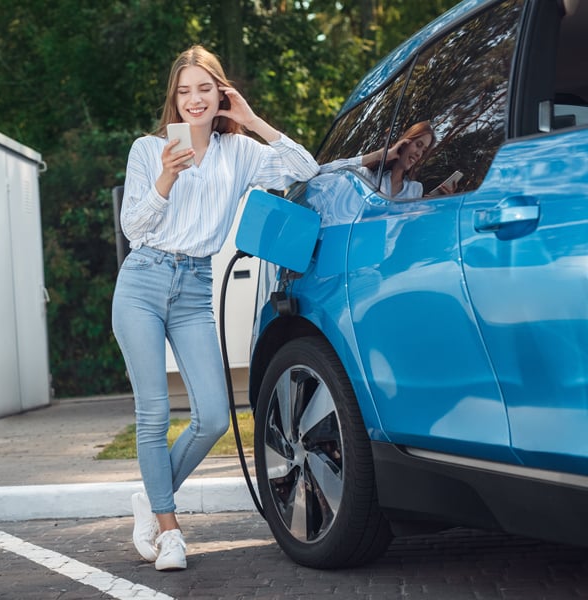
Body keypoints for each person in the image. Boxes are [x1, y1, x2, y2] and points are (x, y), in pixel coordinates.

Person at [112, 45, 319, 571]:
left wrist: (250, 119)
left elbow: (305, 169)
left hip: (193, 286)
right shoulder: (148, 149)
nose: (193, 100)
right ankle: (170, 529)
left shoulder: (239, 152)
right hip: (143, 279)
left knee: (212, 416)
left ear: (220, 93)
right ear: (174, 99)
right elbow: (133, 228)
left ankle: (152, 496)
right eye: (184, 91)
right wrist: (166, 176)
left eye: (204, 89)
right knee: (154, 413)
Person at [318, 120, 451, 199]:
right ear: (405, 142)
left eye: (424, 151)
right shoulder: (367, 177)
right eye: (418, 145)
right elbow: (322, 172)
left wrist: (435, 205)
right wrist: (379, 155)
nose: (419, 154)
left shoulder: (415, 190)